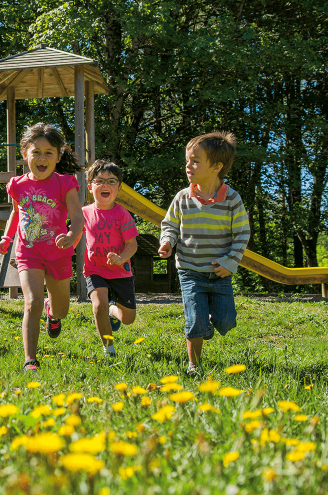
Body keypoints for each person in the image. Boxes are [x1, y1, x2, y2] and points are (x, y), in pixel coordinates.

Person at [158, 132, 251, 375]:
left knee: (226, 322)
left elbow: (242, 234)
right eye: (187, 161)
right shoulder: (182, 198)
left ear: (217, 166)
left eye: (195, 161)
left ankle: (205, 322)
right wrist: (168, 242)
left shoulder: (232, 199)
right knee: (194, 322)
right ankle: (193, 365)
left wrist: (231, 261)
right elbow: (170, 225)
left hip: (220, 273)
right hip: (189, 270)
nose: (188, 166)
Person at [0, 123, 85, 372]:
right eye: (36, 152)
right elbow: (16, 214)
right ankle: (30, 360)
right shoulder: (17, 184)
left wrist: (71, 234)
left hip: (58, 253)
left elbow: (78, 217)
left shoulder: (65, 182)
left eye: (49, 152)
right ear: (25, 155)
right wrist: (7, 237)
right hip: (28, 253)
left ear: (58, 156)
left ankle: (53, 313)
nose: (42, 157)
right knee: (32, 302)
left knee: (62, 308)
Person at [82, 160, 139, 358]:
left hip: (120, 271)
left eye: (111, 181)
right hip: (94, 269)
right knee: (98, 305)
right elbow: (74, 239)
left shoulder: (122, 214)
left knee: (128, 319)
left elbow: (132, 245)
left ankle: (113, 310)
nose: (105, 185)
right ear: (90, 187)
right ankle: (109, 349)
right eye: (99, 181)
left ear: (119, 188)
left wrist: (121, 257)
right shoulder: (84, 213)